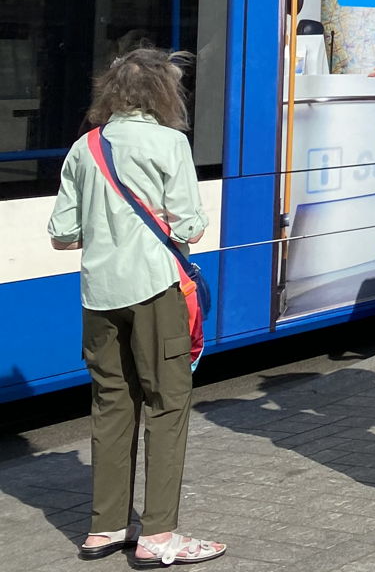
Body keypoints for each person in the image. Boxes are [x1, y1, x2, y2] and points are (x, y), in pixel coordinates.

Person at [49, 49, 226, 565]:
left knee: (111, 404)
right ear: (163, 93)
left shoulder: (85, 148)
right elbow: (190, 225)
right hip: (154, 290)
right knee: (168, 405)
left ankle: (105, 527)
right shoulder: (170, 143)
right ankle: (159, 535)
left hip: (99, 296)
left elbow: (63, 233)